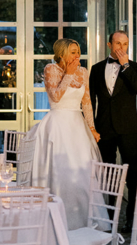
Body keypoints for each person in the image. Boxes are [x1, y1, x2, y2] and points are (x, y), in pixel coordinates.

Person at [26, 38, 101, 230]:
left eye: (78, 51)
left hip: (78, 126)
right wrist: (68, 74)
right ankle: (56, 221)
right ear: (62, 54)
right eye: (73, 52)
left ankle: (85, 220)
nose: (77, 56)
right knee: (61, 171)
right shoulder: (51, 69)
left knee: (83, 171)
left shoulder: (83, 72)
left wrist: (92, 128)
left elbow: (87, 103)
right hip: (58, 125)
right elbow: (56, 96)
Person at [89, 30, 137, 230]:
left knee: (133, 173)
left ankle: (132, 220)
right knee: (109, 174)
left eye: (125, 44)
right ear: (109, 44)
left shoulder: (135, 67)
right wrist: (92, 127)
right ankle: (109, 219)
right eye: (118, 43)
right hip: (104, 128)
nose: (121, 48)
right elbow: (90, 101)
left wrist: (125, 66)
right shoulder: (96, 69)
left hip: (128, 128)